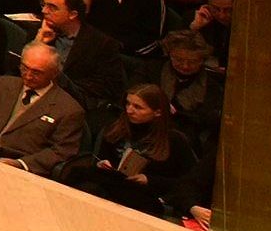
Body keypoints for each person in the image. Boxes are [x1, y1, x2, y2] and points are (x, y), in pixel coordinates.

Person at [0, 42, 86, 178]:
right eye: (24, 68)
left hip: (19, 164)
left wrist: (20, 163)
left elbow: (61, 151)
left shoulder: (69, 109)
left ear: (54, 74)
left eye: (36, 72)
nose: (28, 75)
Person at [64, 85, 195, 218]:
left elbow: (188, 182)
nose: (129, 110)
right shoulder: (117, 128)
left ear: (157, 112)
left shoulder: (174, 140)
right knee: (82, 182)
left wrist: (150, 180)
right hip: (112, 183)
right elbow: (102, 157)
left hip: (145, 195)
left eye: (138, 107)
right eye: (128, 104)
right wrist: (102, 163)